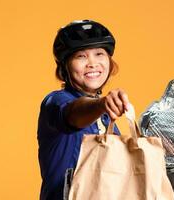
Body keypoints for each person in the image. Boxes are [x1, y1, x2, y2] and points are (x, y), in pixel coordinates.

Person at [37, 19, 130, 200]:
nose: (92, 63)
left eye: (99, 54)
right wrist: (101, 104)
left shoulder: (105, 117)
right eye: (81, 56)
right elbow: (72, 114)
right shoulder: (56, 102)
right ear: (65, 66)